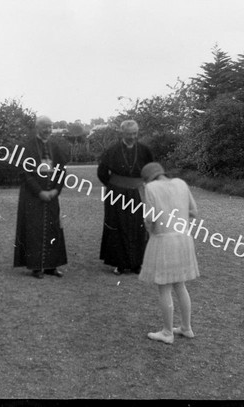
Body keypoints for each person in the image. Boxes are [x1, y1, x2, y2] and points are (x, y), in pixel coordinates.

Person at [139, 162, 200, 344]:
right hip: (183, 238)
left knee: (164, 287)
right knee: (180, 285)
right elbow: (194, 212)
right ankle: (186, 327)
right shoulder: (181, 183)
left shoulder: (150, 188)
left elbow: (150, 219)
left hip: (164, 239)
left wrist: (152, 228)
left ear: (147, 178)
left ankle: (167, 332)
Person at [13, 116, 68, 279]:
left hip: (52, 195)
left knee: (53, 228)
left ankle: (51, 266)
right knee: (34, 230)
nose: (48, 130)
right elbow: (25, 173)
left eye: (50, 127)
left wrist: (56, 190)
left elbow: (62, 171)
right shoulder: (27, 147)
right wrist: (39, 192)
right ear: (37, 128)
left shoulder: (54, 146)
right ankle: (36, 267)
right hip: (32, 196)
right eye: (45, 127)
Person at [97, 120, 153, 275]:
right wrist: (114, 186)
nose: (132, 137)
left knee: (138, 227)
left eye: (135, 133)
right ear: (122, 133)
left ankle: (137, 263)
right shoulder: (112, 150)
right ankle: (119, 263)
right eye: (129, 134)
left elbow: (151, 170)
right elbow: (102, 172)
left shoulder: (145, 150)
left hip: (138, 192)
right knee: (117, 227)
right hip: (116, 193)